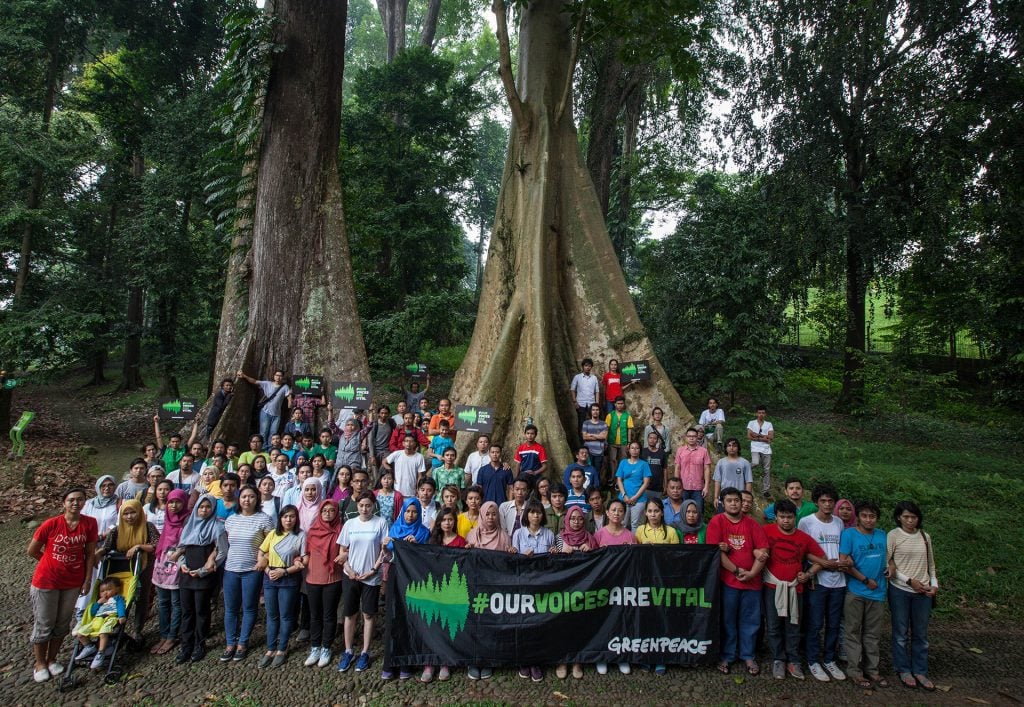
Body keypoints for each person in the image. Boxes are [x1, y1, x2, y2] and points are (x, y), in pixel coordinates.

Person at [27, 487, 98, 683]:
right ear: (64, 503)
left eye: (80, 500)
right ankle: (39, 663)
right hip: (46, 580)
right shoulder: (51, 524)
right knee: (44, 622)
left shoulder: (90, 523)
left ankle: (52, 659)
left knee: (62, 622)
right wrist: (49, 562)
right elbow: (32, 550)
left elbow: (90, 554)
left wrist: (87, 579)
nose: (76, 503)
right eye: (71, 500)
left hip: (73, 581)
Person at [761, 498, 827, 681]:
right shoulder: (766, 531)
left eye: (789, 517)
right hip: (771, 586)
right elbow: (755, 549)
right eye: (782, 517)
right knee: (773, 625)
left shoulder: (803, 538)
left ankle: (793, 659)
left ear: (795, 517)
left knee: (793, 625)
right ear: (776, 517)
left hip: (794, 588)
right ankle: (778, 658)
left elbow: (821, 558)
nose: (785, 521)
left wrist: (808, 574)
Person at [706, 488, 768, 676]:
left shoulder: (752, 524)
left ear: (742, 503)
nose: (733, 503)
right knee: (728, 620)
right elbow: (715, 551)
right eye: (729, 500)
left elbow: (763, 551)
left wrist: (752, 573)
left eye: (736, 500)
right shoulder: (717, 522)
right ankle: (727, 655)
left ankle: (748, 655)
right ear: (722, 503)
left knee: (751, 621)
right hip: (728, 581)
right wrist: (736, 570)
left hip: (753, 582)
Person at [798, 483, 849, 682]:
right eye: (823, 501)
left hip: (839, 580)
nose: (827, 504)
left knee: (834, 623)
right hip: (818, 580)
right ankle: (812, 660)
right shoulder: (807, 522)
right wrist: (823, 563)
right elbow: (804, 550)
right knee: (815, 622)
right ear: (817, 502)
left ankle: (829, 658)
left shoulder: (838, 522)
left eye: (830, 501)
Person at [335, 492, 389, 675]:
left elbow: (384, 550)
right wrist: (349, 569)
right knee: (349, 614)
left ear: (373, 505)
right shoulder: (350, 524)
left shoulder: (380, 522)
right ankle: (348, 650)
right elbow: (343, 550)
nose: (364, 509)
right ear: (356, 506)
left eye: (368, 505)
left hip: (371, 577)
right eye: (361, 505)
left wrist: (373, 570)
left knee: (368, 614)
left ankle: (365, 651)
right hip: (351, 575)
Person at [887, 500, 938, 691]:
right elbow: (888, 563)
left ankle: (920, 670)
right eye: (906, 517)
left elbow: (931, 564)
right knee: (900, 633)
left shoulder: (925, 536)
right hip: (900, 589)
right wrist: (909, 581)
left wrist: (934, 585)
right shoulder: (893, 535)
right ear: (899, 517)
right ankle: (903, 669)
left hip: (923, 591)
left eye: (913, 517)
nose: (909, 520)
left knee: (921, 634)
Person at [221, 486, 273, 663]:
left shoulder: (264, 519)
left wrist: (263, 560)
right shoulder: (231, 519)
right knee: (231, 608)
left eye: (251, 497)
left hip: (252, 569)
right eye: (244, 496)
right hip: (231, 569)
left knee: (249, 607)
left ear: (257, 499)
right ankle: (230, 643)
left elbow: (269, 544)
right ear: (239, 499)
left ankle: (243, 642)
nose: (247, 500)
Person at [840, 500, 888, 689]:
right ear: (857, 517)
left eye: (872, 516)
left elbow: (891, 559)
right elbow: (844, 562)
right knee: (852, 631)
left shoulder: (883, 535)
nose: (869, 520)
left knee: (873, 634)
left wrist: (889, 569)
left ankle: (873, 670)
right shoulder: (849, 534)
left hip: (877, 593)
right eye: (865, 516)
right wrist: (864, 579)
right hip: (856, 590)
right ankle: (855, 671)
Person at [174, 494, 226, 664]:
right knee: (187, 611)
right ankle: (186, 645)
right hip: (186, 574)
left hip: (204, 574)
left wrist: (204, 570)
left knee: (201, 610)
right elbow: (181, 548)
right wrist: (182, 564)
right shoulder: (190, 524)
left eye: (208, 507)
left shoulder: (218, 527)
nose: (204, 510)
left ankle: (199, 643)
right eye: (201, 507)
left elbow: (222, 551)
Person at [98, 499, 158, 643]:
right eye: (126, 513)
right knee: (122, 598)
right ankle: (116, 629)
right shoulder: (117, 530)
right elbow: (106, 547)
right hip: (122, 569)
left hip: (143, 566)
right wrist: (96, 554)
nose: (129, 517)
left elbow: (156, 544)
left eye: (133, 512)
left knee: (142, 599)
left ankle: (138, 630)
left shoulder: (148, 526)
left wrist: (139, 546)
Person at [256, 505, 308, 667]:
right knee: (272, 615)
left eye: (292, 516)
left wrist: (284, 572)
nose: (288, 520)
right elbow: (261, 553)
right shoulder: (272, 534)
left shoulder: (300, 535)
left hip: (289, 579)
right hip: (270, 578)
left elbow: (304, 561)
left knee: (286, 615)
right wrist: (266, 569)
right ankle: (270, 648)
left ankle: (282, 648)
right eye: (285, 516)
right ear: (280, 518)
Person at [510, 500, 553, 683]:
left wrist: (553, 553)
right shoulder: (518, 534)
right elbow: (513, 563)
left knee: (539, 625)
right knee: (523, 625)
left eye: (539, 512)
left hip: (543, 587)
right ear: (526, 515)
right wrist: (518, 556)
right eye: (532, 512)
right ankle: (523, 660)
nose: (535, 515)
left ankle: (535, 661)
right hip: (523, 588)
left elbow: (554, 563)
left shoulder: (550, 534)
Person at [593, 498, 634, 676]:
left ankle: (621, 656)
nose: (617, 513)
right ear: (607, 513)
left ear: (624, 514)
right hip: (603, 586)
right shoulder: (599, 535)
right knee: (602, 621)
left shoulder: (630, 536)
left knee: (621, 621)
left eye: (620, 510)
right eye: (613, 510)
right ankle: (602, 655)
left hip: (623, 586)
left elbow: (635, 563)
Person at [303, 500, 343, 669]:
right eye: (324, 510)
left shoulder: (341, 530)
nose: (328, 513)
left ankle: (326, 647)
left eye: (331, 510)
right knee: (315, 614)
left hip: (333, 578)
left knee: (329, 614)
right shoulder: (312, 531)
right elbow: (306, 553)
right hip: (313, 577)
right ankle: (315, 646)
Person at [151, 489, 189, 656]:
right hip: (162, 562)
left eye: (178, 502)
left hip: (177, 562)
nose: (174, 505)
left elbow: (188, 541)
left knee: (176, 602)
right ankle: (163, 634)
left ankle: (172, 635)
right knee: (163, 602)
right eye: (171, 502)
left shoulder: (187, 520)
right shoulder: (168, 517)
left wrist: (179, 552)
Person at [71, 576, 126, 670]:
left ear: (117, 589)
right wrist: (98, 603)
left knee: (103, 633)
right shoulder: (100, 601)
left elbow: (121, 606)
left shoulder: (117, 598)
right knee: (80, 634)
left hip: (110, 618)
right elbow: (92, 612)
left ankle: (100, 653)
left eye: (109, 589)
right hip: (97, 620)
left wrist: (121, 616)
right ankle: (89, 646)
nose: (105, 593)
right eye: (102, 591)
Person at [237, 368, 292, 449]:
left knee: (273, 433)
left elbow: (289, 396)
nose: (278, 377)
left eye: (280, 376)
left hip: (277, 414)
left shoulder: (285, 387)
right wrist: (244, 376)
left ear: (282, 377)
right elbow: (255, 381)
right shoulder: (267, 384)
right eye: (277, 375)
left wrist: (290, 403)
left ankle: (270, 450)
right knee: (263, 432)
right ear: (274, 376)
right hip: (265, 412)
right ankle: (262, 449)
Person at [674, 427, 711, 519]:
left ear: (697, 437)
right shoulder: (680, 450)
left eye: (694, 436)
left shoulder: (703, 451)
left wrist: (706, 486)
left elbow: (707, 468)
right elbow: (677, 468)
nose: (691, 438)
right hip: (683, 487)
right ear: (686, 437)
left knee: (698, 512)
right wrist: (676, 486)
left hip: (698, 488)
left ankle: (698, 532)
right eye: (689, 436)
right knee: (683, 512)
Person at [616, 441, 652, 530]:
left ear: (640, 450)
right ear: (629, 450)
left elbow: (646, 483)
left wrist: (635, 497)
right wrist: (624, 495)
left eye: (637, 448)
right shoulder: (623, 462)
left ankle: (634, 544)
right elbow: (619, 480)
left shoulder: (644, 464)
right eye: (632, 448)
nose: (634, 450)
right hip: (624, 498)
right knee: (622, 523)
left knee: (635, 524)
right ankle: (622, 543)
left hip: (639, 499)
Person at [383, 434, 426, 499]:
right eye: (407, 441)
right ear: (403, 443)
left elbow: (420, 475)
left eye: (411, 441)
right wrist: (391, 473)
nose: (408, 443)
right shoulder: (397, 454)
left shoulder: (419, 457)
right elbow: (384, 462)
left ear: (414, 444)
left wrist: (418, 488)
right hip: (397, 491)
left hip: (412, 492)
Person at [713, 438, 753, 507]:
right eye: (729, 445)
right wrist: (716, 497)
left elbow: (748, 482)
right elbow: (717, 481)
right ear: (726, 448)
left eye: (734, 446)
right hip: (724, 498)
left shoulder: (745, 463)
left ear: (738, 448)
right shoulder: (721, 462)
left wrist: (746, 499)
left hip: (739, 499)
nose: (731, 448)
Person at [746, 405, 774, 498]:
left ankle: (766, 490)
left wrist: (757, 435)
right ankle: (744, 470)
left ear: (765, 414)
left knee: (767, 469)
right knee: (755, 463)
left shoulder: (769, 424)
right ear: (756, 413)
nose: (761, 414)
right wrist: (764, 438)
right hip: (755, 448)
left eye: (762, 413)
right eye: (759, 412)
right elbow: (749, 436)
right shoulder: (751, 423)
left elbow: (771, 437)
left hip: (766, 450)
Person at [570, 358, 601, 436]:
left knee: (593, 422)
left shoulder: (594, 378)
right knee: (581, 423)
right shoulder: (577, 377)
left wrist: (596, 404)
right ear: (583, 367)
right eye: (586, 366)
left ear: (591, 367)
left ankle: (592, 440)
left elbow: (597, 391)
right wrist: (575, 402)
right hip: (580, 404)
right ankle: (582, 444)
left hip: (591, 404)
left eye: (589, 366)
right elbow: (572, 390)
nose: (587, 367)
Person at [581, 403, 609, 487]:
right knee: (587, 471)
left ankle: (596, 489)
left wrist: (591, 435)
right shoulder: (586, 423)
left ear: (599, 411)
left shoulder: (603, 424)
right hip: (587, 453)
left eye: (597, 410)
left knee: (596, 471)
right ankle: (587, 488)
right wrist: (598, 436)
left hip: (599, 452)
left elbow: (604, 437)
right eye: (593, 410)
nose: (595, 412)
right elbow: (584, 437)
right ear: (591, 411)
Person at [605, 396, 634, 477]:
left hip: (623, 442)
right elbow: (606, 429)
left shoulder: (627, 416)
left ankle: (620, 478)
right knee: (612, 460)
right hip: (612, 442)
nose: (620, 405)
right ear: (615, 404)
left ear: (624, 404)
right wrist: (605, 441)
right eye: (618, 403)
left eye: (621, 403)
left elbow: (629, 430)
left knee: (623, 461)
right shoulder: (610, 415)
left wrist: (629, 442)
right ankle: (612, 477)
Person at [364, 406, 395, 476]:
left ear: (389, 414)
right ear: (378, 414)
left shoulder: (391, 422)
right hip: (376, 452)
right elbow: (370, 440)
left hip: (386, 451)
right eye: (382, 413)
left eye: (386, 413)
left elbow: (397, 432)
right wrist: (372, 456)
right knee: (376, 475)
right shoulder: (375, 424)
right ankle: (376, 486)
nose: (384, 415)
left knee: (384, 473)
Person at [639, 431, 667, 501]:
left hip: (658, 488)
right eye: (650, 438)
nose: (652, 440)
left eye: (654, 438)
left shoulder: (662, 453)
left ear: (657, 441)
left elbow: (665, 470)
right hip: (643, 487)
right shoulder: (642, 452)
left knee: (657, 508)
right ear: (647, 439)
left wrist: (665, 485)